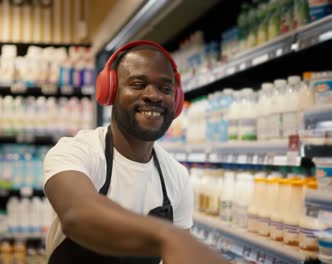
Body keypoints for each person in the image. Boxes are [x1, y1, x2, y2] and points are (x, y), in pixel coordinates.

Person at [43, 40, 227, 264]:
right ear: (110, 91)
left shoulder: (176, 177)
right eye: (138, 84)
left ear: (177, 101)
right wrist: (169, 237)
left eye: (165, 88)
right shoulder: (76, 152)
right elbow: (77, 213)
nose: (154, 96)